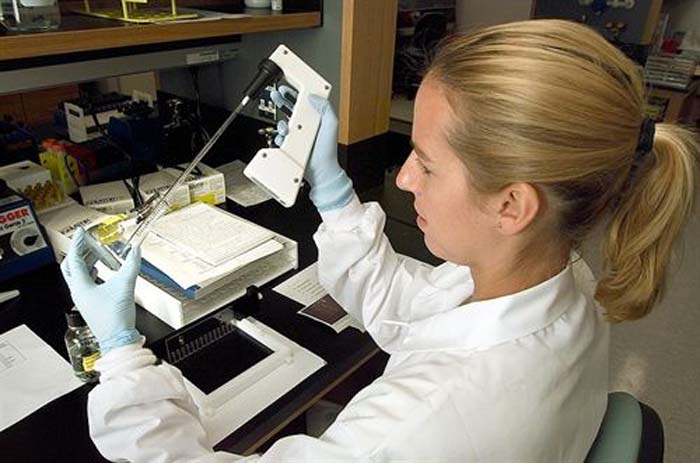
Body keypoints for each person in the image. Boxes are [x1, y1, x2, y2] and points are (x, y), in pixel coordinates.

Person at [61, 19, 698, 462]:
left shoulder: (414, 431)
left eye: (426, 162)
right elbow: (414, 309)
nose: (404, 177)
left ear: (512, 205)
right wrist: (333, 191)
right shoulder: (562, 277)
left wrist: (121, 358)